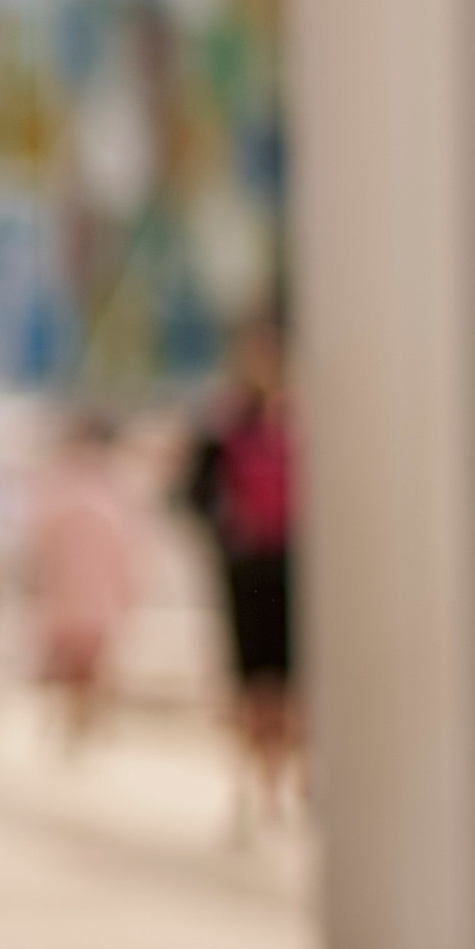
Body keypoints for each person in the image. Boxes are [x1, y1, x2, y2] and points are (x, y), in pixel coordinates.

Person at [182, 318, 300, 832]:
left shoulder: (275, 424)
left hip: (271, 565)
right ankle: (257, 786)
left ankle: (275, 783)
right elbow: (195, 497)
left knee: (278, 684)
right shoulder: (232, 428)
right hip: (260, 566)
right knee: (260, 683)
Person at [25, 408, 141, 746]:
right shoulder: (64, 482)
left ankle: (87, 717)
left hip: (91, 579)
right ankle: (76, 716)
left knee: (91, 654)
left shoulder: (110, 482)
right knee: (73, 655)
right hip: (72, 580)